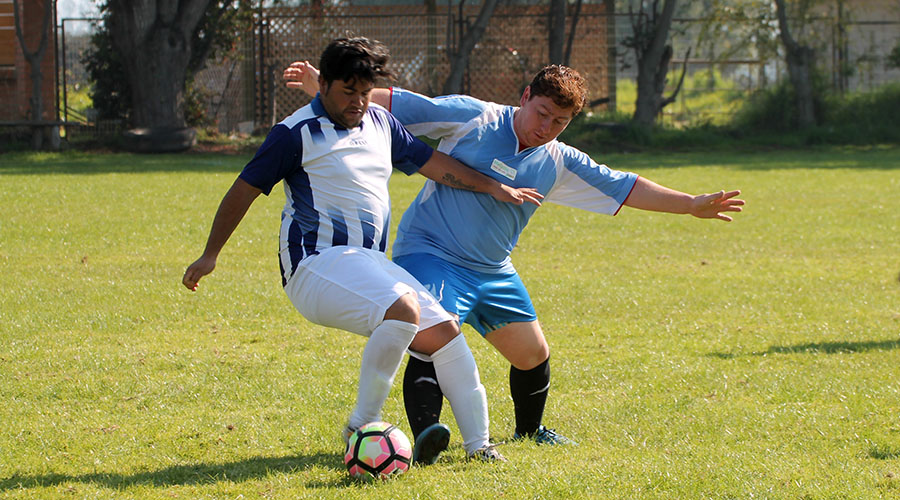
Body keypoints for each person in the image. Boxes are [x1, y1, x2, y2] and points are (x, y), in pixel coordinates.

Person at [284, 60, 744, 459]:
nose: (546, 127)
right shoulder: (474, 118)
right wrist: (323, 84)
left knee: (532, 354)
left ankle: (530, 432)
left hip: (492, 269)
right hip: (432, 253)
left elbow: (623, 184)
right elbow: (403, 103)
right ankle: (426, 436)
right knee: (431, 339)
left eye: (560, 121)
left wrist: (689, 203)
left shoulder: (558, 159)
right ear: (525, 97)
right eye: (542, 112)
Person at [183, 37, 544, 464]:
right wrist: (210, 255)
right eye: (347, 92)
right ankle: (361, 426)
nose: (357, 102)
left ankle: (480, 446)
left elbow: (433, 163)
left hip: (368, 261)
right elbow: (242, 191)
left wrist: (492, 186)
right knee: (405, 310)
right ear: (323, 86)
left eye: (364, 92)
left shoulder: (381, 123)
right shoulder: (295, 133)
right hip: (314, 265)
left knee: (445, 332)